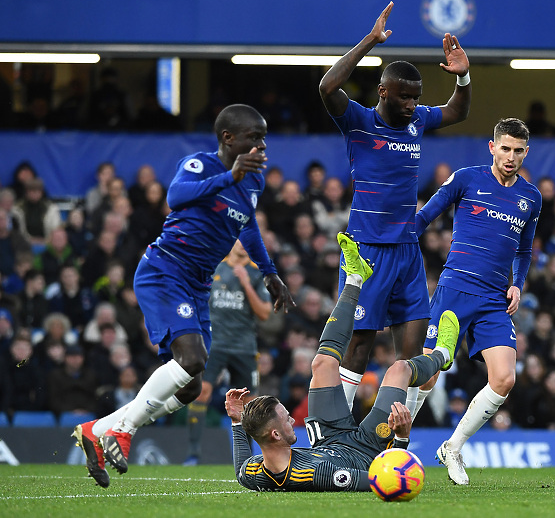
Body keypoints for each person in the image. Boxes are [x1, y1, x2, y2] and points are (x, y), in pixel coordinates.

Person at [71, 104, 294, 488]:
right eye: (253, 137)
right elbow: (175, 196)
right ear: (228, 138)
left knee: (190, 386)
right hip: (166, 269)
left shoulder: (253, 182)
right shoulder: (201, 165)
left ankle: (97, 429)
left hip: (197, 283)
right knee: (192, 359)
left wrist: (271, 273)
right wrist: (229, 175)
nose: (261, 146)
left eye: (263, 138)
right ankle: (122, 430)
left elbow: (248, 228)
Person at [318, 1, 471, 417]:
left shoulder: (418, 120)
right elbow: (326, 88)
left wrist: (463, 77)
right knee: (361, 343)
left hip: (406, 251)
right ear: (383, 91)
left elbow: (458, 111)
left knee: (411, 353)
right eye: (404, 97)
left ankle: (395, 437)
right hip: (367, 251)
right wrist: (370, 40)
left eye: (416, 98)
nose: (411, 105)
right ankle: (337, 430)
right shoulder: (359, 123)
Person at [225, 233, 458, 492]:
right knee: (399, 368)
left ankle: (355, 278)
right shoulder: (321, 474)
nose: (293, 420)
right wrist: (402, 437)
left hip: (327, 437)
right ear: (275, 435)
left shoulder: (254, 473)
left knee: (322, 364)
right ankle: (444, 355)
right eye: (286, 418)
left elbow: (240, 469)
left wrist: (237, 421)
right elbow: (387, 481)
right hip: (368, 448)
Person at [410, 118, 540, 485]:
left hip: (494, 298)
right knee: (428, 375)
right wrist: (396, 249)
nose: (511, 156)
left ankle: (453, 446)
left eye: (518, 150)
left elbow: (525, 249)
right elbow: (424, 218)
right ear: (492, 147)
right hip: (455, 288)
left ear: (525, 152)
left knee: (504, 377)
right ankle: (395, 443)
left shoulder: (531, 197)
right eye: (505, 148)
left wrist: (518, 284)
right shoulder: (467, 179)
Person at [183, 239, 272, 466]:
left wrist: (245, 283)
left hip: (244, 347)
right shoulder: (215, 268)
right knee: (202, 391)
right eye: (238, 238)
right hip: (215, 345)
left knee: (250, 403)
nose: (242, 244)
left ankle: (250, 458)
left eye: (246, 239)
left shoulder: (255, 273)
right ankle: (193, 453)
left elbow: (264, 313)